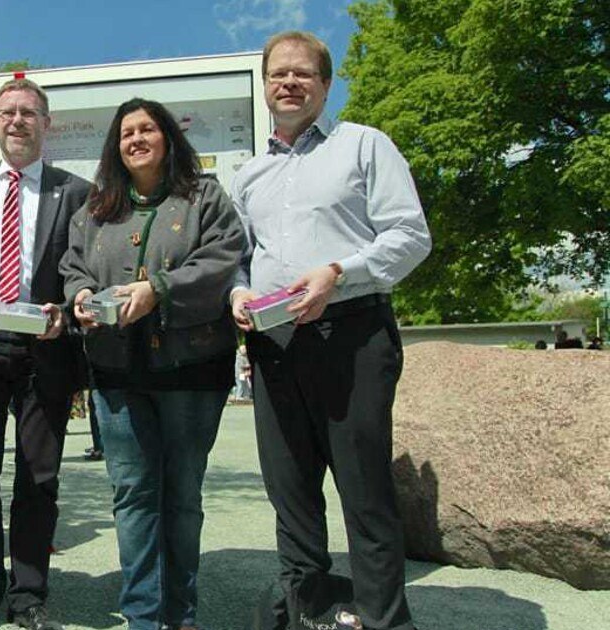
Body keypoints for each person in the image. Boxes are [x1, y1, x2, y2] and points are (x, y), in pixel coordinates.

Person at [229, 31, 432, 630]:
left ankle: (383, 619)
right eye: (277, 74)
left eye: (303, 74)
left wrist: (340, 272)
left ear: (325, 83)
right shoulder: (250, 173)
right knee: (290, 494)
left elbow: (410, 235)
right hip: (273, 343)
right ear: (265, 86)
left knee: (365, 493)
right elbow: (239, 257)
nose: (289, 83)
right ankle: (306, 612)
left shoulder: (364, 146)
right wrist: (238, 292)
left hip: (351, 334)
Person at [60, 98, 244, 630]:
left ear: (167, 137)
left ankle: (181, 614)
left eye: (147, 129)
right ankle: (142, 615)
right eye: (126, 133)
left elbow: (222, 258)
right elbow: (72, 265)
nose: (136, 139)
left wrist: (158, 289)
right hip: (117, 376)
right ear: (115, 147)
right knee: (134, 498)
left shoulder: (204, 195)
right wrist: (81, 295)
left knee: (182, 497)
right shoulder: (96, 208)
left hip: (192, 371)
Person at [0, 78, 91, 630]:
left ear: (46, 123)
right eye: (6, 112)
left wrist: (67, 311)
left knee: (40, 477)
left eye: (28, 113)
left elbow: (81, 268)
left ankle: (29, 596)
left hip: (45, 345)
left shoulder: (74, 192)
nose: (16, 121)